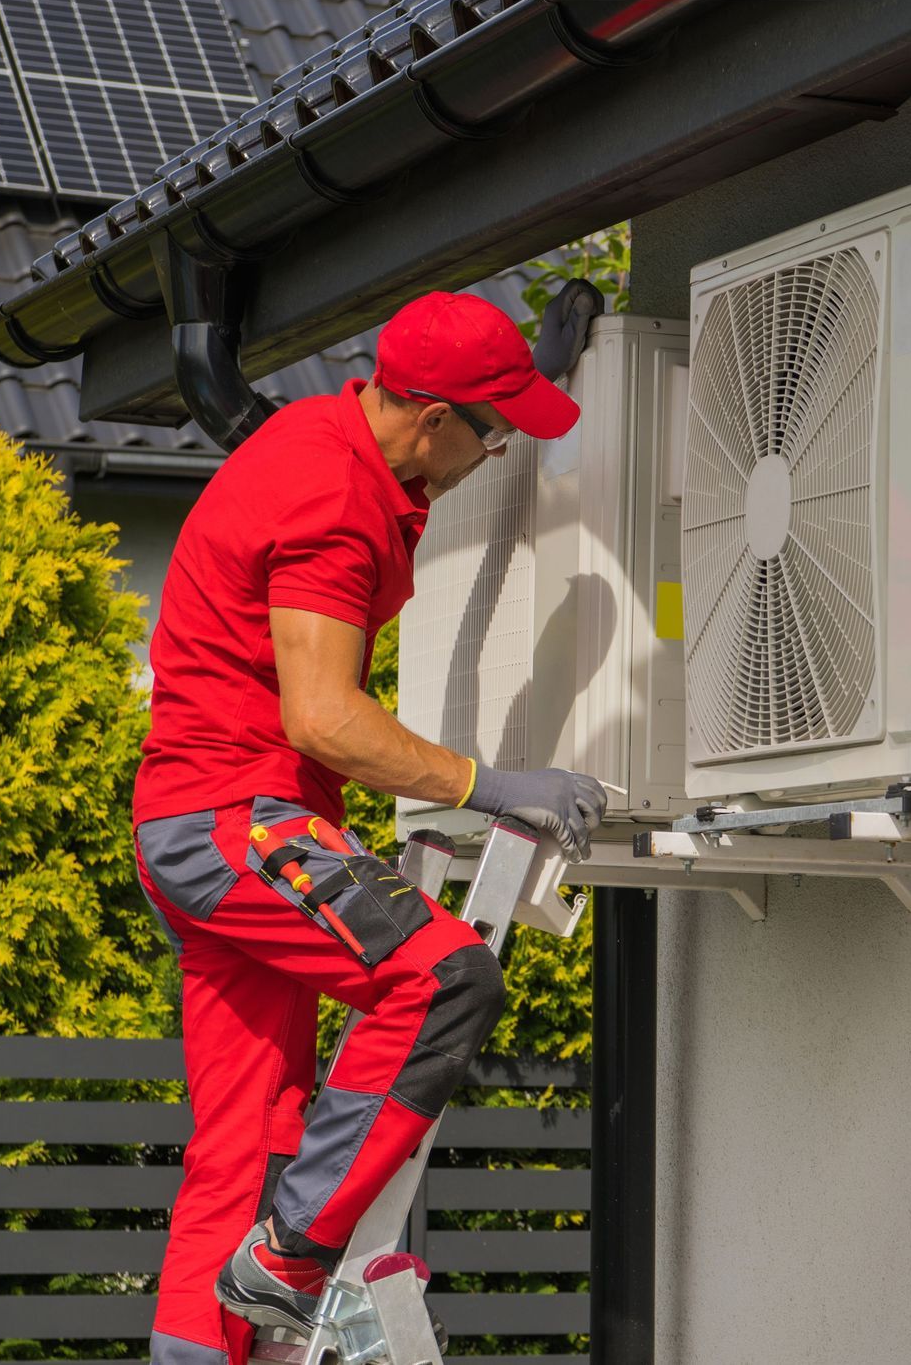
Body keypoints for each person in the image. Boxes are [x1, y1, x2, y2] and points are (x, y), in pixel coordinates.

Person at [130, 291, 609, 1365]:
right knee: (443, 981)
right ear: (432, 418)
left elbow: (458, 414)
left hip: (191, 820)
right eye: (492, 432)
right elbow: (325, 716)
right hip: (236, 822)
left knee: (245, 1149)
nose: (497, 451)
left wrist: (538, 378)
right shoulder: (334, 499)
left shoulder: (332, 437)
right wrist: (492, 785)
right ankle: (290, 1262)